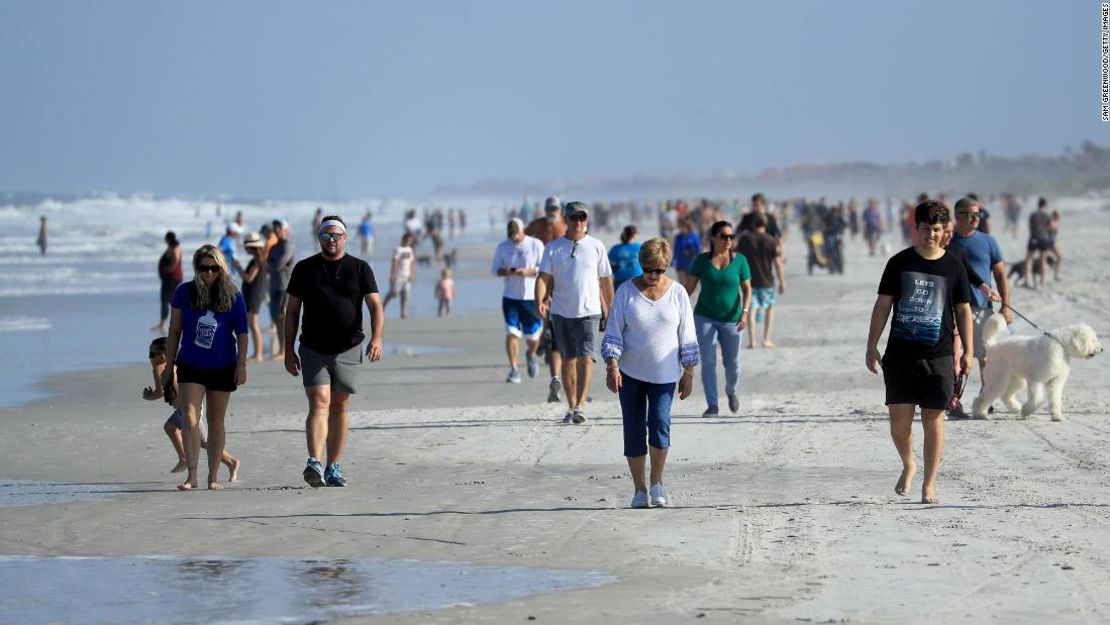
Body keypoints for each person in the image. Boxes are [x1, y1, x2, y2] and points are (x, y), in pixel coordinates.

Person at [866, 200, 973, 505]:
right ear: (916, 229)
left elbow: (963, 310)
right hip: (900, 355)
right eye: (925, 228)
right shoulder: (899, 263)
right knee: (899, 425)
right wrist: (871, 344)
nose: (930, 235)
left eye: (936, 229)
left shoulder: (953, 266)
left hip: (939, 355)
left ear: (944, 232)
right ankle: (909, 463)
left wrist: (967, 351)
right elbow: (882, 305)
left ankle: (929, 484)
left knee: (933, 420)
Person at [285, 216, 384, 488]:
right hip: (312, 348)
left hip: (349, 347)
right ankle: (314, 462)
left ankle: (333, 466)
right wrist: (288, 350)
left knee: (340, 405)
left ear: (345, 237)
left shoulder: (360, 268)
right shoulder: (304, 269)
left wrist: (377, 338)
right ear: (319, 238)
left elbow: (375, 306)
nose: (331, 240)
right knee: (318, 401)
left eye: (336, 235)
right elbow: (292, 312)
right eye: (326, 235)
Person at [601, 238, 698, 508]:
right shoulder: (625, 292)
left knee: (658, 425)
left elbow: (687, 335)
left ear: (666, 266)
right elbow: (613, 332)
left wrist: (688, 372)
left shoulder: (678, 293)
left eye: (659, 270)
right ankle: (639, 489)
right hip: (629, 374)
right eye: (648, 269)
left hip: (665, 375)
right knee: (633, 430)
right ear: (640, 265)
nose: (653, 275)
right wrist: (612, 366)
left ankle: (657, 483)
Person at [160, 245, 249, 491]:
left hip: (223, 365)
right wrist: (168, 367)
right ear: (196, 268)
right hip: (190, 363)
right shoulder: (184, 293)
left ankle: (213, 477)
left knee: (216, 420)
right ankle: (192, 476)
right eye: (203, 268)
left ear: (221, 269)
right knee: (189, 416)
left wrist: (241, 364)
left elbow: (242, 332)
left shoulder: (233, 295)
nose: (209, 273)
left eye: (214, 268)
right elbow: (174, 330)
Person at [535, 201, 614, 424]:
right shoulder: (553, 248)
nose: (579, 222)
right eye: (574, 218)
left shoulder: (597, 246)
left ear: (586, 221)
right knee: (568, 361)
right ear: (566, 220)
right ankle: (571, 406)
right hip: (561, 313)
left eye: (582, 218)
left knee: (586, 359)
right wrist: (539, 300)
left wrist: (612, 309)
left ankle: (580, 406)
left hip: (589, 312)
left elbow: (606, 282)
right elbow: (543, 278)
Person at [144, 337, 240, 480]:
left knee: (203, 441)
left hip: (188, 409)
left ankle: (230, 462)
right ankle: (185, 457)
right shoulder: (175, 365)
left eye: (152, 354)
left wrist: (149, 396)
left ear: (163, 356)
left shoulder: (159, 368)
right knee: (171, 427)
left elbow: (161, 391)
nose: (150, 358)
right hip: (187, 408)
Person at [684, 221, 751, 416]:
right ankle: (712, 404)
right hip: (705, 317)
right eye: (724, 236)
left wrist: (745, 313)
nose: (729, 240)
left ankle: (731, 391)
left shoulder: (740, 261)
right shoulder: (701, 261)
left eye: (731, 236)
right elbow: (688, 288)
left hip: (733, 319)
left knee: (733, 363)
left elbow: (747, 289)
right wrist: (673, 307)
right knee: (708, 361)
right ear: (714, 238)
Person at [950, 197, 1012, 389]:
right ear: (957, 215)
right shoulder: (947, 241)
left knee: (985, 356)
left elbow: (1001, 275)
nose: (975, 218)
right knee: (954, 355)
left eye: (978, 214)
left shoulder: (988, 241)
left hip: (981, 307)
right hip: (951, 307)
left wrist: (1006, 307)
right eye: (970, 214)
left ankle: (987, 398)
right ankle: (954, 398)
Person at [525, 196, 568, 400]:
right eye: (550, 208)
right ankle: (544, 343)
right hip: (543, 275)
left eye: (555, 208)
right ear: (545, 209)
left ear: (560, 209)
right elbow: (523, 237)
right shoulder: (538, 224)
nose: (552, 211)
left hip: (562, 277)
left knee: (555, 322)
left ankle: (543, 342)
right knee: (548, 318)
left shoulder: (566, 224)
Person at [492, 218, 545, 383]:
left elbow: (544, 268)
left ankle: (530, 354)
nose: (513, 238)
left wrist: (528, 271)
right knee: (511, 334)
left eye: (516, 234)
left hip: (531, 297)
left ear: (523, 231)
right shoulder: (503, 247)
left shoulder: (535, 244)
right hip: (510, 298)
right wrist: (506, 272)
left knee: (533, 337)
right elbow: (495, 269)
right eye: (511, 234)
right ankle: (514, 369)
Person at [736, 214, 784, 349]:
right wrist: (782, 282)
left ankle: (752, 342)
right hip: (767, 281)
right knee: (769, 308)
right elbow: (777, 263)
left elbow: (737, 256)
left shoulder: (746, 239)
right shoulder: (771, 240)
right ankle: (766, 339)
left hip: (750, 281)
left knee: (751, 310)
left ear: (753, 225)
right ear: (765, 225)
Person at [266, 220, 296, 359]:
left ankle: (284, 350)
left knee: (283, 318)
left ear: (286, 230)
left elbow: (277, 265)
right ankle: (281, 349)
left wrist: (270, 265)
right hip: (274, 285)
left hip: (284, 286)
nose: (277, 230)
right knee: (276, 318)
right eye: (275, 228)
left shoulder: (288, 246)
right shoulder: (275, 246)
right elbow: (267, 266)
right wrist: (270, 265)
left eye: (280, 228)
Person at [240, 232, 268, 361]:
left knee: (253, 324)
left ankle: (258, 354)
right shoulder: (258, 259)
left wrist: (236, 265)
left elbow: (248, 278)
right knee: (252, 324)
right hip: (254, 294)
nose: (246, 249)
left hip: (254, 294)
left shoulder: (258, 261)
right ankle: (257, 353)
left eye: (247, 247)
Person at [152, 231, 184, 334]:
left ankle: (164, 325)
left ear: (168, 238)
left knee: (167, 300)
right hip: (171, 278)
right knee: (169, 300)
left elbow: (175, 261)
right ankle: (174, 322)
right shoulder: (173, 246)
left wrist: (169, 269)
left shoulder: (174, 248)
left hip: (171, 278)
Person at [382, 232, 416, 318]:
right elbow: (395, 262)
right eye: (408, 240)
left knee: (405, 295)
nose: (409, 242)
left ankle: (403, 312)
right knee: (393, 293)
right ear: (404, 240)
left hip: (407, 276)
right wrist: (393, 275)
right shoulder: (398, 249)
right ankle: (381, 308)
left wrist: (412, 273)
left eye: (411, 241)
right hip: (398, 276)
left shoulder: (410, 250)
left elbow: (412, 262)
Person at [1022, 197, 1053, 288]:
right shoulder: (1047, 215)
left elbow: (1030, 227)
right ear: (1045, 205)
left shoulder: (1033, 215)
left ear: (1038, 204)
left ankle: (1028, 281)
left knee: (1029, 259)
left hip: (1034, 238)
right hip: (1044, 238)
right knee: (1043, 260)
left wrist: (1034, 235)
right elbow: (1050, 227)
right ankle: (1043, 282)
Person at [671, 216, 701, 283]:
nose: (680, 228)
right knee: (682, 285)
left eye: (681, 226)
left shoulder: (694, 237)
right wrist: (672, 260)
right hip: (680, 263)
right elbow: (675, 249)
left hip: (691, 263)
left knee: (688, 286)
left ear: (686, 226)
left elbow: (698, 250)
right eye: (679, 226)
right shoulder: (678, 237)